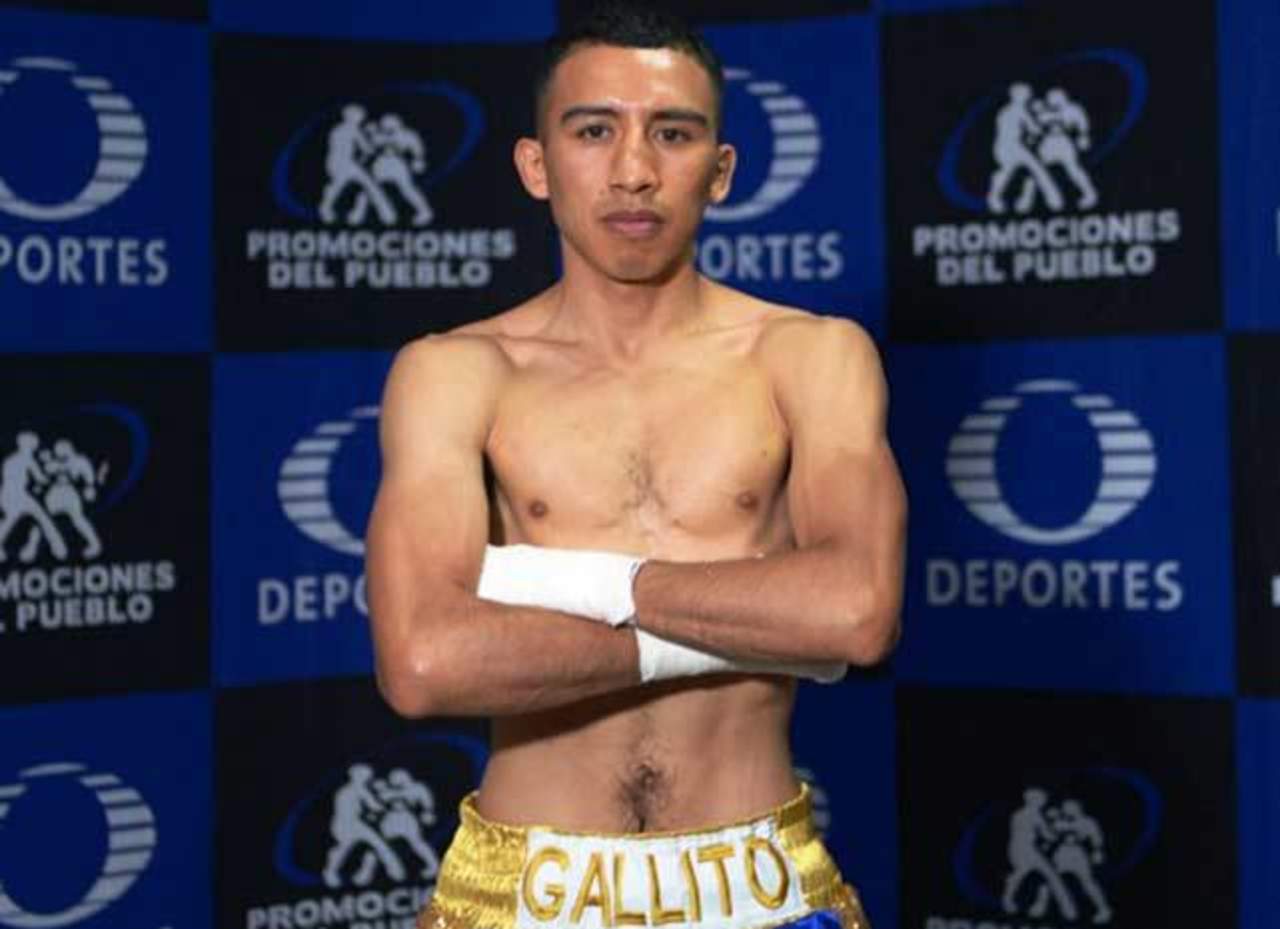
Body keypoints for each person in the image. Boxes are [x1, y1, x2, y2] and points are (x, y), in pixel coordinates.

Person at [366, 4, 906, 928]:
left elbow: (854, 612)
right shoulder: (456, 373)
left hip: (761, 886)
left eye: (672, 133)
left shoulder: (810, 357)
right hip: (521, 893)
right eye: (593, 131)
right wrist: (761, 617)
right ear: (536, 165)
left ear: (720, 170)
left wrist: (562, 587)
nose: (633, 170)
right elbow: (424, 661)